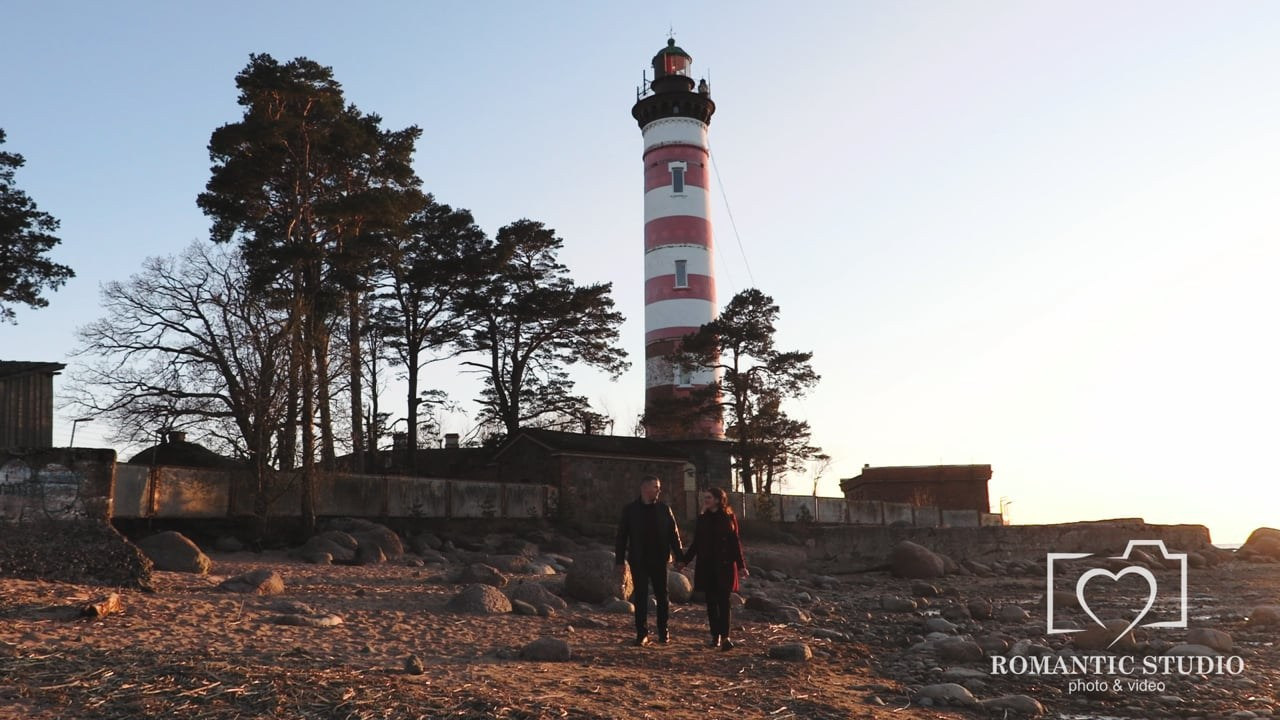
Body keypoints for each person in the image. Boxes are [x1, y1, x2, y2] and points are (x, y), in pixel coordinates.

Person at [614, 475, 683, 646]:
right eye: (655, 487)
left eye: (658, 487)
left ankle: (663, 630)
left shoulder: (664, 509)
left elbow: (674, 535)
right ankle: (641, 633)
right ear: (644, 488)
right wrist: (620, 561)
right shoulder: (630, 510)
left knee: (662, 595)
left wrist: (680, 558)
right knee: (641, 595)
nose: (659, 490)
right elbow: (621, 537)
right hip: (639, 559)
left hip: (660, 559)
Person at [679, 486, 748, 650]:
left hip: (724, 566)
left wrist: (741, 566)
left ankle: (725, 637)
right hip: (707, 565)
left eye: (709, 497)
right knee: (711, 602)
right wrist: (684, 561)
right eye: (705, 498)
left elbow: (735, 543)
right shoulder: (702, 519)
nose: (706, 500)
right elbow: (696, 544)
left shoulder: (729, 518)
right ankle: (715, 636)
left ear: (718, 499)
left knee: (724, 602)